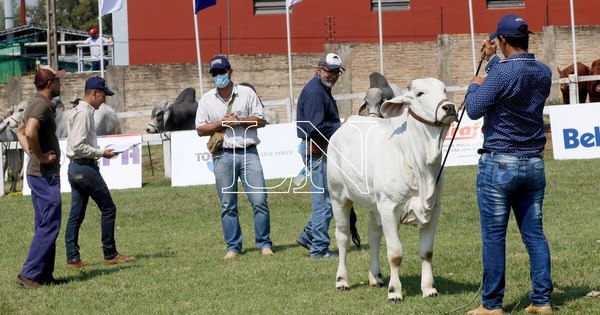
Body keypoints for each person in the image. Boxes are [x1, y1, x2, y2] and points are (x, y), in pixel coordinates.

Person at [464, 14, 553, 315]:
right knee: (534, 234)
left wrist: (475, 83)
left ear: (502, 40)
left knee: (493, 236)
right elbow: (509, 77)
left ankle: (491, 305)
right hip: (533, 164)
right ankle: (542, 301)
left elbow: (474, 109)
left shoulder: (501, 74)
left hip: (500, 164)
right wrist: (491, 64)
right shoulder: (543, 71)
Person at [195, 55, 273, 259]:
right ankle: (233, 247)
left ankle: (264, 244)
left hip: (249, 153)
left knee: (259, 200)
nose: (219, 76)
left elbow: (261, 121)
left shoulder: (247, 93)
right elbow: (200, 129)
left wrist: (238, 121)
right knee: (227, 204)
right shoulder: (206, 99)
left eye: (222, 72)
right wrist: (223, 123)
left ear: (230, 72)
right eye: (215, 73)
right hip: (223, 156)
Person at [64, 76, 134, 268]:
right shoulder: (85, 114)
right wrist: (101, 153)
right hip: (85, 167)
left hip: (74, 168)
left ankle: (72, 257)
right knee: (108, 207)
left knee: (76, 215)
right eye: (103, 95)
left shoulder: (76, 111)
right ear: (94, 93)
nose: (104, 100)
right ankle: (110, 253)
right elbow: (78, 145)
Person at [15, 66, 66, 288]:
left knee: (45, 223)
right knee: (50, 223)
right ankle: (29, 274)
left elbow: (19, 131)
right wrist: (41, 157)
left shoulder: (36, 104)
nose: (60, 83)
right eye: (57, 80)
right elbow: (28, 132)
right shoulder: (41, 105)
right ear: (48, 84)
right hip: (44, 175)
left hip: (39, 174)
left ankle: (44, 274)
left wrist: (31, 153)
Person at [295, 53, 343, 258]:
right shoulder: (316, 91)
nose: (332, 75)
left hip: (320, 149)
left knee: (329, 198)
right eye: (329, 71)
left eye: (336, 72)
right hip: (317, 150)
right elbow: (315, 127)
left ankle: (308, 235)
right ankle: (319, 248)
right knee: (325, 200)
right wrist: (341, 128)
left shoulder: (321, 88)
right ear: (319, 69)